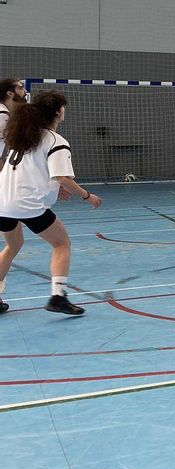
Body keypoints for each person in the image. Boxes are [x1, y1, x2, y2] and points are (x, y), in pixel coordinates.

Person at [0, 90, 102, 316]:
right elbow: (62, 177)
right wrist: (87, 196)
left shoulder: (24, 136)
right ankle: (58, 296)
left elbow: (35, 173)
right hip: (26, 205)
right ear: (58, 111)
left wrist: (56, 188)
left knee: (12, 246)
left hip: (2, 203)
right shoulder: (56, 141)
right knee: (61, 243)